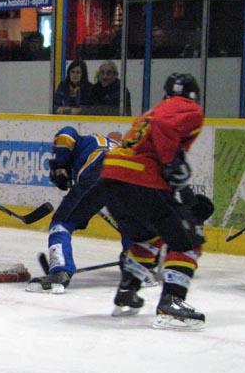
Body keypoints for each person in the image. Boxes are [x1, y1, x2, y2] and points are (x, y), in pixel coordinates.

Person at [100, 72, 206, 329]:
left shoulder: (154, 110)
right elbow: (165, 128)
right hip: (140, 180)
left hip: (112, 180)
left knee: (148, 237)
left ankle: (127, 292)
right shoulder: (189, 108)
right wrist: (172, 163)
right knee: (188, 239)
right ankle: (172, 303)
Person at [26, 127, 122, 293]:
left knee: (61, 223)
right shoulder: (117, 146)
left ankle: (60, 270)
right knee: (129, 225)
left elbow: (66, 134)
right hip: (132, 176)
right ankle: (139, 267)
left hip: (98, 173)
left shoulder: (84, 141)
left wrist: (60, 165)